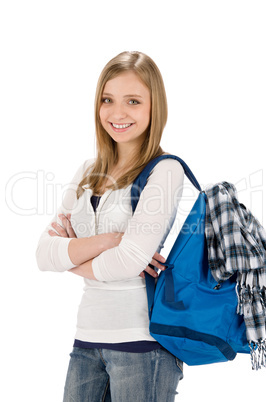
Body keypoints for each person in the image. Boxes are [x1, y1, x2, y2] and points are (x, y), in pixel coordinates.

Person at [36, 51, 185, 401]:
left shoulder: (164, 170)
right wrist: (111, 240)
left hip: (143, 344)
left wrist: (70, 257)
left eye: (133, 101)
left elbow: (128, 262)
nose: (117, 113)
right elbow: (43, 254)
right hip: (86, 340)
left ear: (154, 108)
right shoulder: (88, 171)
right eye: (108, 100)